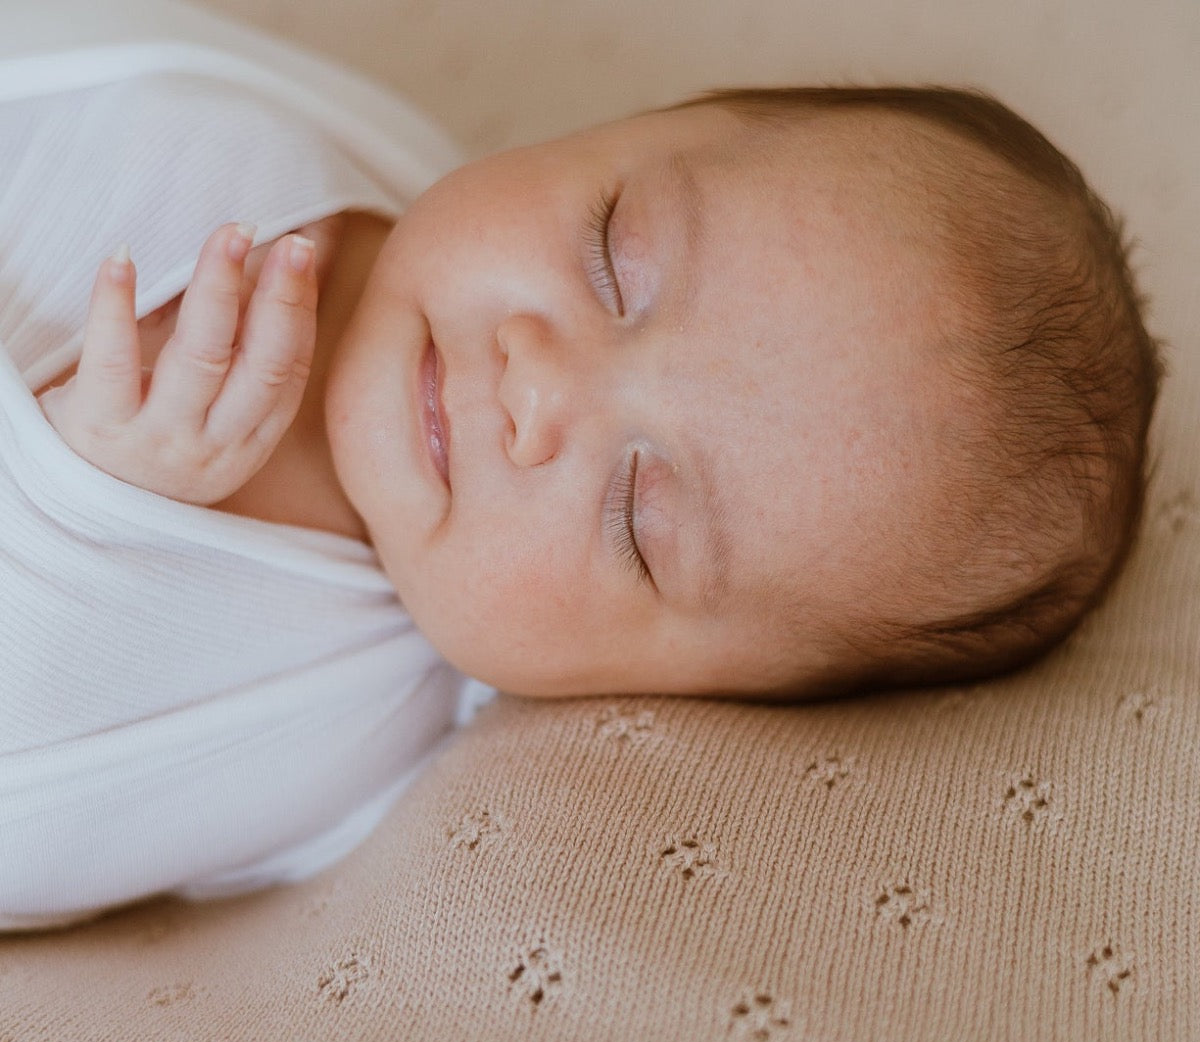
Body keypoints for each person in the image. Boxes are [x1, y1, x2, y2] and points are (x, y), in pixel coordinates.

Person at [0, 40, 1162, 926]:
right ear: (622, 128)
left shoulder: (341, 756)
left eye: (638, 522)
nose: (536, 388)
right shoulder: (211, 136)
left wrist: (78, 512)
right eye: (614, 257)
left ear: (663, 696)